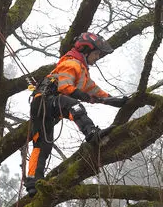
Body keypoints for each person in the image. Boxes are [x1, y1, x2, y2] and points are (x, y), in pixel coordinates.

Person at [24, 32, 129, 196]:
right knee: (74, 106)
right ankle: (91, 132)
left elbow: (94, 91)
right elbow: (65, 87)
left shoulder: (83, 72)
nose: (97, 58)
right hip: (46, 100)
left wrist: (113, 100)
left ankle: (33, 182)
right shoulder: (71, 63)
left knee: (43, 145)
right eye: (96, 54)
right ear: (86, 51)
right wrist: (84, 97)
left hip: (44, 106)